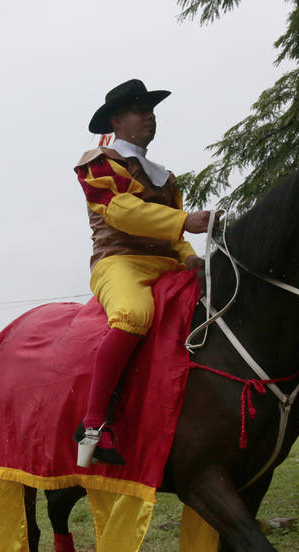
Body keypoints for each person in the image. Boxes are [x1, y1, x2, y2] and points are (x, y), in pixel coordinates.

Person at [75, 79, 217, 467]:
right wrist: (186, 221)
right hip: (118, 260)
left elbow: (173, 235)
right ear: (117, 120)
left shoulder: (163, 176)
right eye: (140, 110)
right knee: (134, 315)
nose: (150, 117)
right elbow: (121, 211)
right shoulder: (98, 163)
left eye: (151, 110)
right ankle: (92, 426)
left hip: (167, 263)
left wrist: (190, 258)